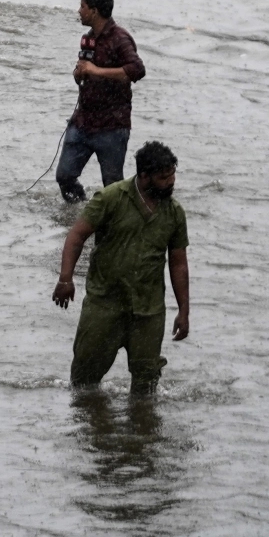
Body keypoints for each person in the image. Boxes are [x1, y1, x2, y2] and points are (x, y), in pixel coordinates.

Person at [53, 140, 191, 394]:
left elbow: (179, 263)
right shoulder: (111, 198)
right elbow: (76, 236)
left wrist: (184, 311)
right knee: (84, 385)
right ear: (144, 176)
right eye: (164, 177)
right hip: (104, 306)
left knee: (146, 387)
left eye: (172, 175)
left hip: (148, 311)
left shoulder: (174, 213)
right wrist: (65, 279)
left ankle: (142, 430)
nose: (171, 182)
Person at [56, 0, 146, 202]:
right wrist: (79, 73)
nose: (79, 11)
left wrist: (96, 70)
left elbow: (137, 70)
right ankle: (83, 214)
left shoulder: (120, 38)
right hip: (83, 121)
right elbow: (84, 73)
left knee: (113, 185)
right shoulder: (88, 38)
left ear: (94, 11)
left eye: (82, 6)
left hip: (112, 125)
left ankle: (116, 224)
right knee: (65, 176)